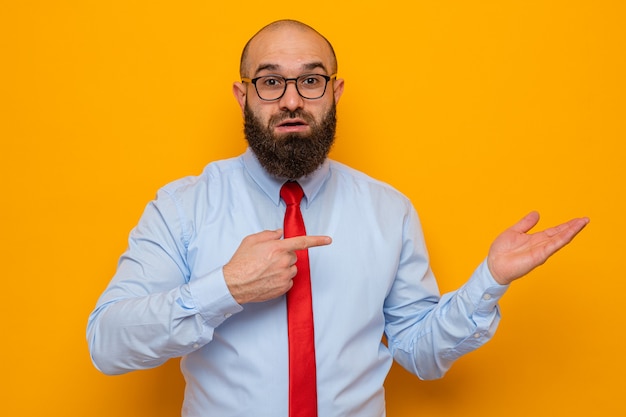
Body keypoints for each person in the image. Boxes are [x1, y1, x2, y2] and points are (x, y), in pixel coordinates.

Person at [87, 19, 589, 417]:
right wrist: (227, 287)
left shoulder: (388, 211)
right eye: (269, 82)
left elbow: (419, 351)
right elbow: (107, 345)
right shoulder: (182, 207)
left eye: (310, 80)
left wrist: (490, 281)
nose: (290, 100)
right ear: (242, 96)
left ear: (335, 91)